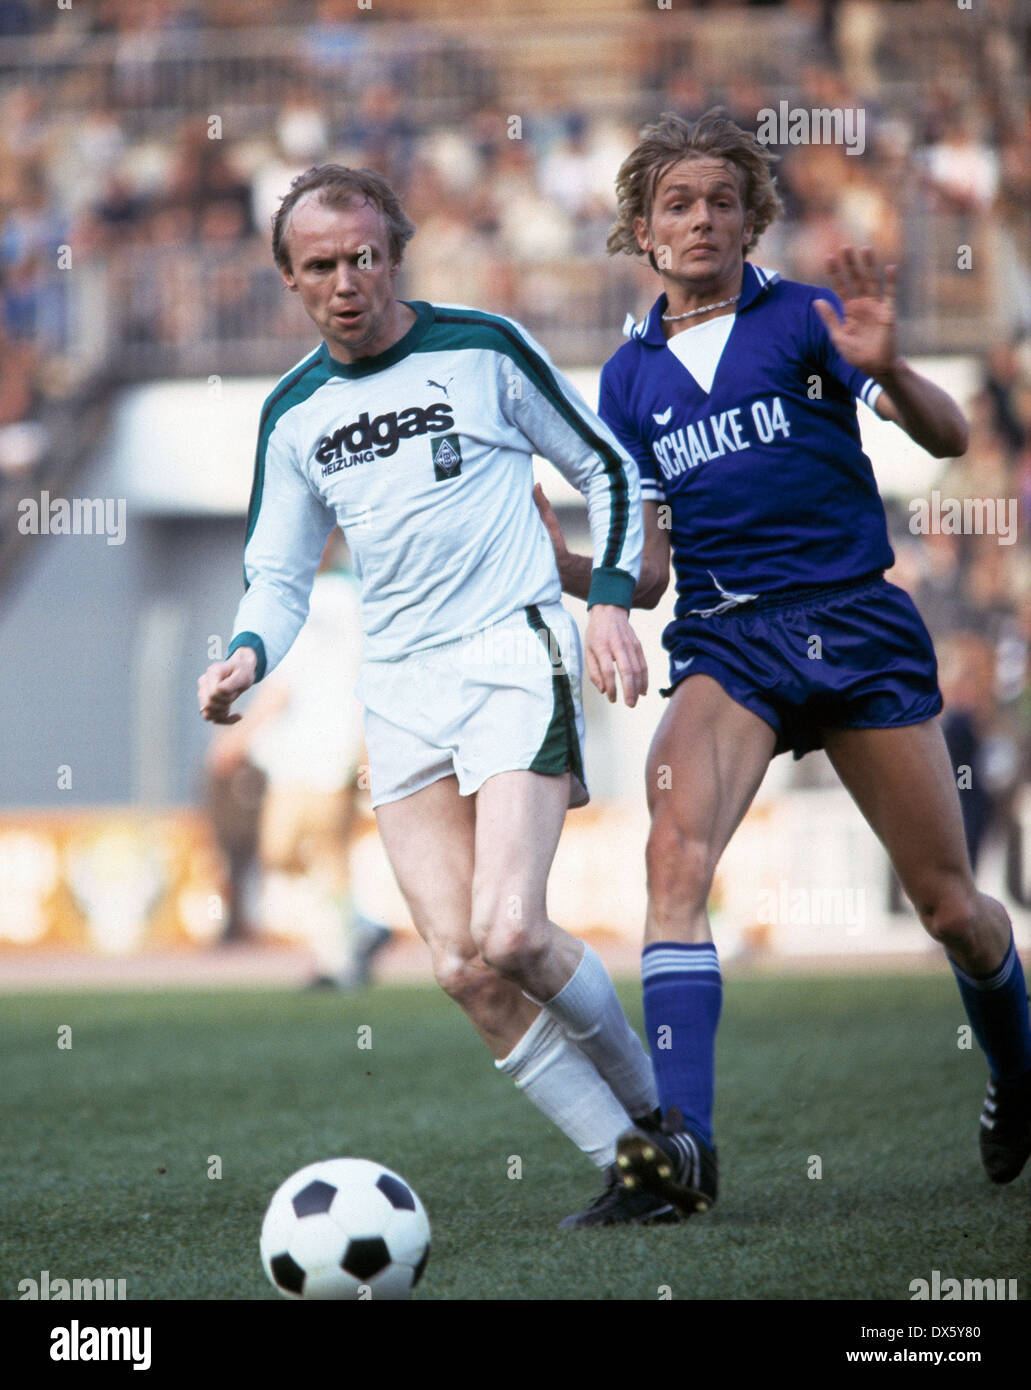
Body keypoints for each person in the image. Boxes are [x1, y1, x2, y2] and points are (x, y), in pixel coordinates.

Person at [535, 110, 1031, 1218]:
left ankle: (1016, 1071)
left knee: (949, 907)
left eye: (721, 200)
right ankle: (686, 1157)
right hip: (724, 636)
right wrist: (563, 563)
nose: (701, 218)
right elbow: (649, 575)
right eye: (677, 203)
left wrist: (890, 366)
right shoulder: (625, 380)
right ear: (639, 230)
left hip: (850, 618)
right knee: (672, 860)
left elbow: (946, 438)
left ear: (751, 216)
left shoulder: (808, 316)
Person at [197, 163, 668, 1227]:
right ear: (289, 280)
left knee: (510, 931)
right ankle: (636, 1167)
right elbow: (274, 576)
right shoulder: (293, 411)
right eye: (320, 265)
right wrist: (243, 658)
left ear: (393, 253)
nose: (346, 281)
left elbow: (605, 466)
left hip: (511, 651)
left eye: (363, 256)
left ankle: (660, 1113)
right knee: (461, 967)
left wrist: (603, 602)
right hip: (398, 687)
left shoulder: (482, 348)